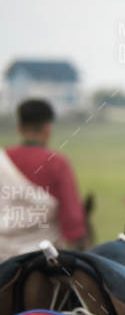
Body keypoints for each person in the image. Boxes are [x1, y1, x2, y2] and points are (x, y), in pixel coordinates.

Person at [0, 98, 87, 257]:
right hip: (42, 256)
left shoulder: (2, 159)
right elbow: (72, 219)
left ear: (19, 128)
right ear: (48, 128)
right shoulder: (56, 163)